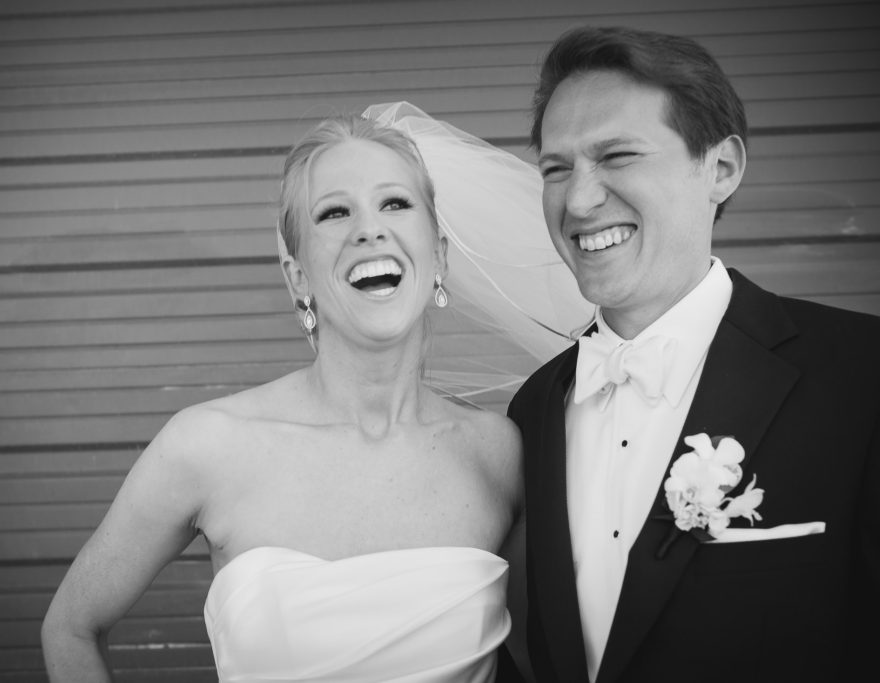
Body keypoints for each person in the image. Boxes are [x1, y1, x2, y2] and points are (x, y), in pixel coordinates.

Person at [40, 103, 578, 682]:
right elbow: (70, 627)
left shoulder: (500, 453)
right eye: (334, 212)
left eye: (395, 203)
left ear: (440, 255)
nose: (370, 228)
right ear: (298, 277)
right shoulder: (207, 446)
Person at [501, 25, 880, 683]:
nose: (579, 199)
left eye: (616, 155)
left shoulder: (862, 376)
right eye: (556, 168)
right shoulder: (532, 408)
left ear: (721, 168)